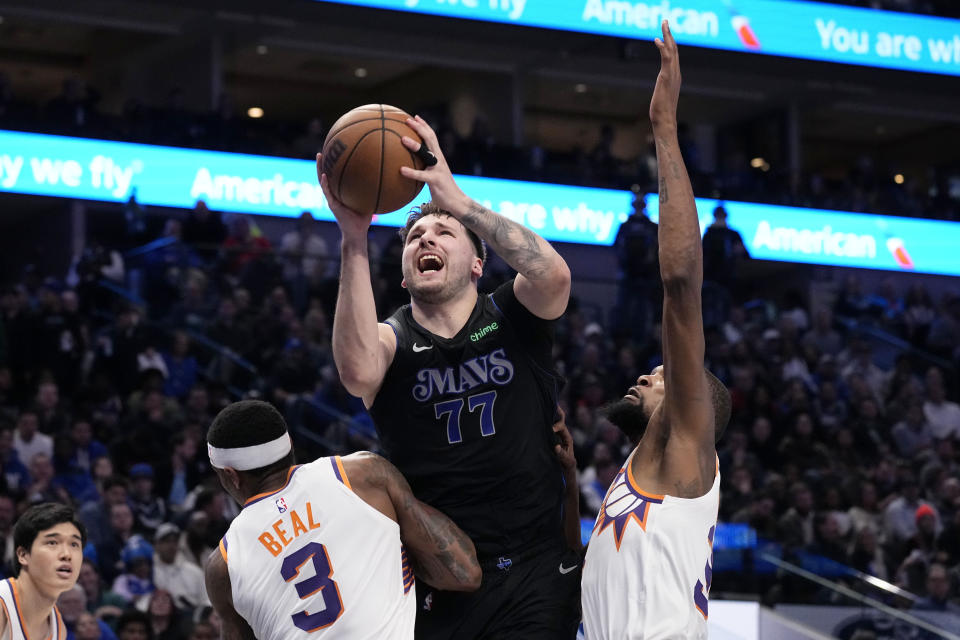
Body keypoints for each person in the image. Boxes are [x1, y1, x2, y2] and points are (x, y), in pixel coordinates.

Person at [319, 107, 580, 638]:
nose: (426, 240)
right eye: (415, 239)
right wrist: (352, 237)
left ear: (478, 264)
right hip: (445, 575)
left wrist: (455, 200)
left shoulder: (512, 314)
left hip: (535, 566)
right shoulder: (391, 339)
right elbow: (355, 372)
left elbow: (554, 276)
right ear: (404, 268)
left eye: (445, 233)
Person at [580, 22, 731, 639]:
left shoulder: (691, 448)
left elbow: (680, 284)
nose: (651, 370)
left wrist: (665, 133)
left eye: (667, 374)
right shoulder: (639, 471)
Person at [202, 400, 480, 640]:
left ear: (231, 475)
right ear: (289, 445)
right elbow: (464, 574)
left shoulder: (223, 566)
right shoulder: (359, 475)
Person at [0, 503, 86, 640]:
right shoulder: (2, 604)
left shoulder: (57, 627)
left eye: (74, 544)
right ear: (23, 555)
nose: (66, 554)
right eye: (52, 543)